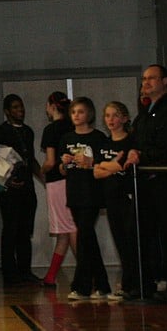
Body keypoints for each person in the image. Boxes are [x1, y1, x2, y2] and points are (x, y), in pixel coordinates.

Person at [126, 64, 167, 304]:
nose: (146, 82)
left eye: (152, 78)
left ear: (165, 81)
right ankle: (149, 281)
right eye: (144, 78)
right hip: (147, 182)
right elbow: (136, 140)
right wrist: (133, 150)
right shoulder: (144, 113)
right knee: (146, 232)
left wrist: (142, 154)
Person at [57, 97, 112, 302]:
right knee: (88, 238)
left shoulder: (98, 138)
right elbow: (62, 171)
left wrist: (91, 162)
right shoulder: (66, 138)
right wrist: (64, 164)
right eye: (73, 112)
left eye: (80, 112)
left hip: (93, 193)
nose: (76, 116)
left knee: (84, 237)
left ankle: (81, 286)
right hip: (74, 193)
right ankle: (102, 284)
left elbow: (106, 164)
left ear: (89, 114)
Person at [0, 94, 42, 286]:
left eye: (21, 107)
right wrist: (6, 181)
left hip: (28, 187)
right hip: (9, 189)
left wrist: (42, 177)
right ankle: (10, 274)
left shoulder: (28, 131)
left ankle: (25, 271)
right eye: (15, 107)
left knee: (25, 230)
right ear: (7, 111)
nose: (20, 110)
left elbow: (31, 158)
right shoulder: (0, 132)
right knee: (11, 230)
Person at [93, 101, 138, 300]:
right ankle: (126, 284)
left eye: (115, 115)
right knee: (120, 241)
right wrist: (109, 165)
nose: (111, 119)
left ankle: (131, 285)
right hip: (110, 199)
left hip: (127, 197)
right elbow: (95, 172)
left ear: (125, 118)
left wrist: (110, 166)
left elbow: (121, 168)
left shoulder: (130, 141)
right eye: (108, 115)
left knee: (131, 242)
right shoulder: (104, 144)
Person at [39, 90, 75, 286]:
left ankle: (87, 273)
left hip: (57, 182)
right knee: (68, 229)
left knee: (67, 229)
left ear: (52, 107)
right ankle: (51, 276)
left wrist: (41, 169)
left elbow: (50, 161)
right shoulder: (72, 127)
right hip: (74, 181)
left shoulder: (51, 130)